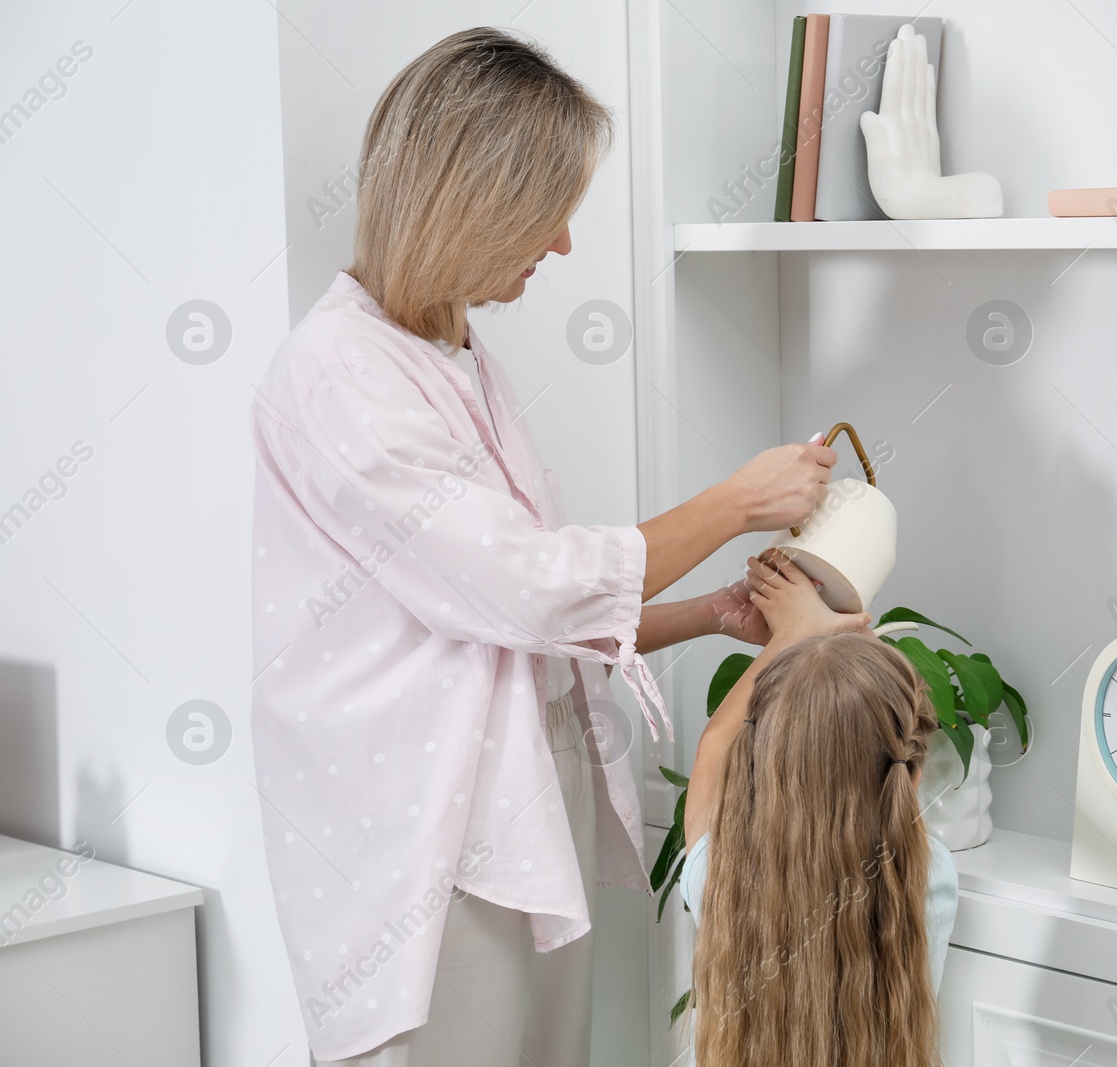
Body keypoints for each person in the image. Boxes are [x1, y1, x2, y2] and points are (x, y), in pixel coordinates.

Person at [249, 27, 836, 1065]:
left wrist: (706, 613)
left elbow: (514, 618)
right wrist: (735, 500)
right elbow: (526, 588)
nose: (563, 245)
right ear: (473, 203)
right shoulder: (341, 373)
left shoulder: (452, 356)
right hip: (421, 846)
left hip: (510, 809)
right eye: (548, 213)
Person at [681, 554, 959, 1067]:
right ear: (910, 775)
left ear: (762, 758)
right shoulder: (928, 879)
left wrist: (792, 635)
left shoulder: (717, 876)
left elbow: (713, 746)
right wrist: (847, 624)